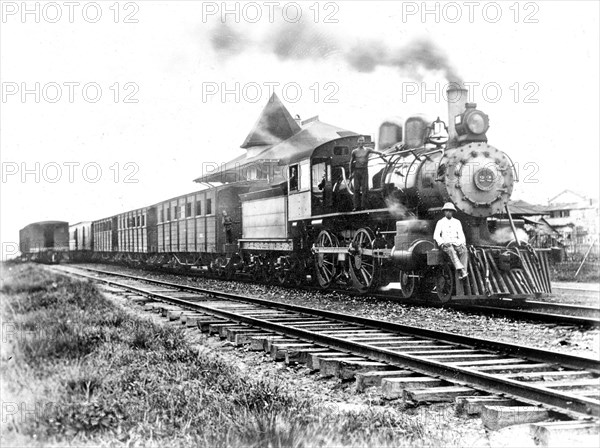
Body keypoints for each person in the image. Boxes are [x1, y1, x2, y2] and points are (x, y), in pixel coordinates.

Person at [433, 202, 469, 279]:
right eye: (447, 211)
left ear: (453, 212)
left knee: (464, 250)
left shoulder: (457, 222)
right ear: (444, 212)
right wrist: (442, 243)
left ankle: (463, 272)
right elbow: (436, 235)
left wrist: (462, 243)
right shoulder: (440, 222)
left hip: (456, 243)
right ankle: (461, 270)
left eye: (450, 211)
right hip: (446, 245)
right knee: (451, 250)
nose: (448, 212)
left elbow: (461, 235)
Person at [349, 136, 384, 211]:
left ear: (364, 142)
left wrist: (382, 154)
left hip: (364, 171)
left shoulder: (367, 150)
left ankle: (363, 206)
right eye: (360, 140)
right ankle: (356, 206)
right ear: (358, 142)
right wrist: (350, 173)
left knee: (365, 189)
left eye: (362, 140)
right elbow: (351, 162)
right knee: (356, 189)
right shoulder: (354, 151)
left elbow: (376, 152)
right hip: (357, 171)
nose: (361, 142)